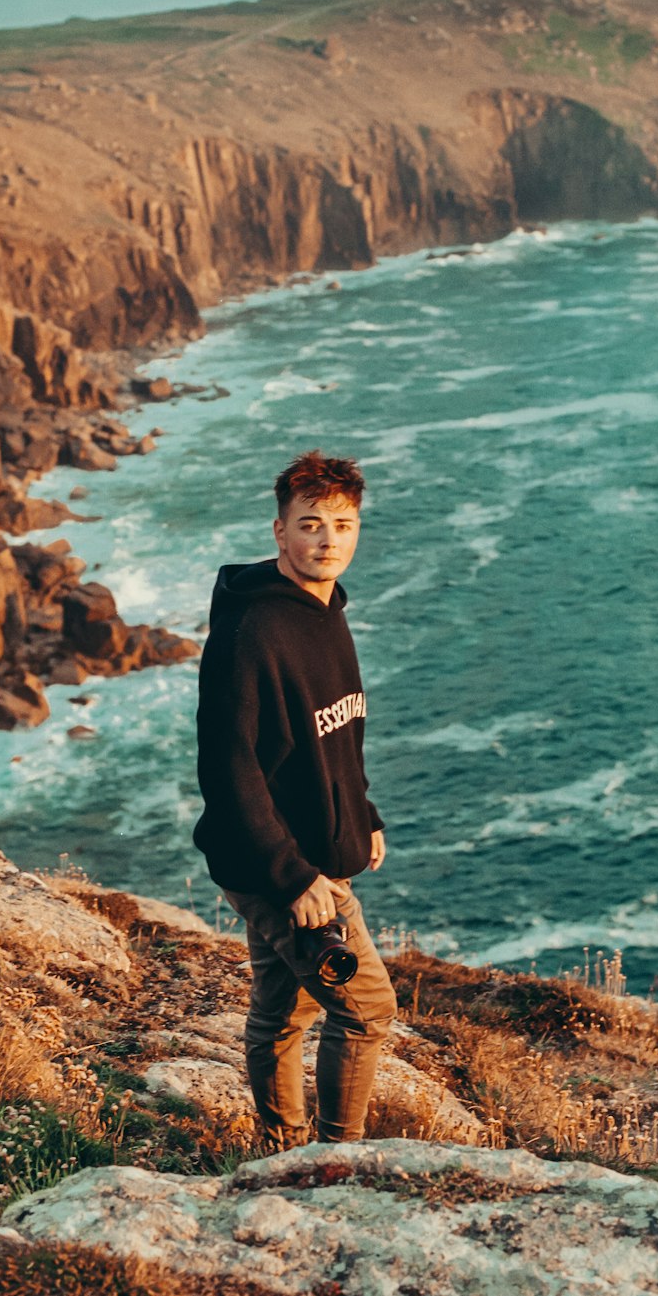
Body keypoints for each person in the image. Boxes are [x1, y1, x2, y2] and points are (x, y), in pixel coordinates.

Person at [194, 449, 396, 1149]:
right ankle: (340, 1160)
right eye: (310, 524)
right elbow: (228, 770)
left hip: (305, 857)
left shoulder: (325, 607)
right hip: (280, 869)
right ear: (280, 531)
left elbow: (335, 730)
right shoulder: (253, 632)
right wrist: (294, 877)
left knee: (283, 1014)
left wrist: (362, 812)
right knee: (367, 1008)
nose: (329, 539)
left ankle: (279, 1148)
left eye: (343, 524)